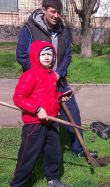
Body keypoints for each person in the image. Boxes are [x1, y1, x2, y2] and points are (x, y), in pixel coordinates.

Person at [15, 0, 98, 157]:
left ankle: (79, 149)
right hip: (37, 84)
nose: (56, 15)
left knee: (73, 113)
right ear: (44, 10)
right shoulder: (30, 29)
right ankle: (33, 155)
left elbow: (67, 56)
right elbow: (21, 56)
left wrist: (57, 74)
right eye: (53, 12)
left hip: (59, 81)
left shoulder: (62, 30)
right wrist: (41, 74)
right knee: (39, 119)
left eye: (59, 12)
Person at [10, 41, 70, 187]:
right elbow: (18, 98)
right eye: (43, 54)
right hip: (34, 124)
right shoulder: (29, 75)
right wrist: (37, 110)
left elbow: (46, 98)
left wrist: (59, 97)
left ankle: (52, 179)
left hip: (51, 120)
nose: (47, 57)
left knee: (54, 151)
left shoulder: (51, 76)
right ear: (35, 56)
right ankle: (18, 184)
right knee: (28, 155)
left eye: (50, 54)